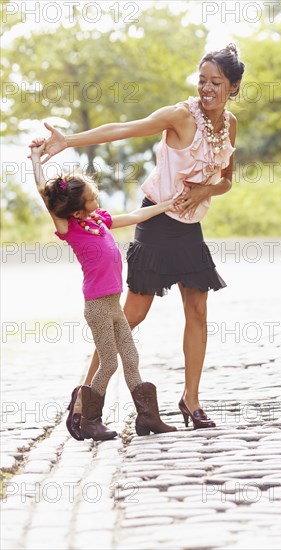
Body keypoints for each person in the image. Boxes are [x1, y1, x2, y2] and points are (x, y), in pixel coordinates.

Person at [32, 43, 245, 430]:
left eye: (216, 82)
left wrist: (204, 192)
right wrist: (68, 141)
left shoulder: (229, 125)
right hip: (157, 220)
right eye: (202, 80)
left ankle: (191, 400)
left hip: (189, 227)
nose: (207, 89)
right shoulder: (180, 116)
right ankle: (84, 397)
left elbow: (227, 181)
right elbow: (123, 129)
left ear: (233, 86)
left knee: (198, 311)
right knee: (130, 315)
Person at [29, 139, 177, 440]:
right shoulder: (70, 229)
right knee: (109, 362)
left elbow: (135, 216)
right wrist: (35, 159)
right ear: (77, 207)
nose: (97, 200)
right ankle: (88, 420)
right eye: (92, 198)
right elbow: (45, 194)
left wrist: (167, 206)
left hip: (113, 304)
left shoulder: (99, 220)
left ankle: (147, 417)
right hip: (96, 306)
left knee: (131, 358)